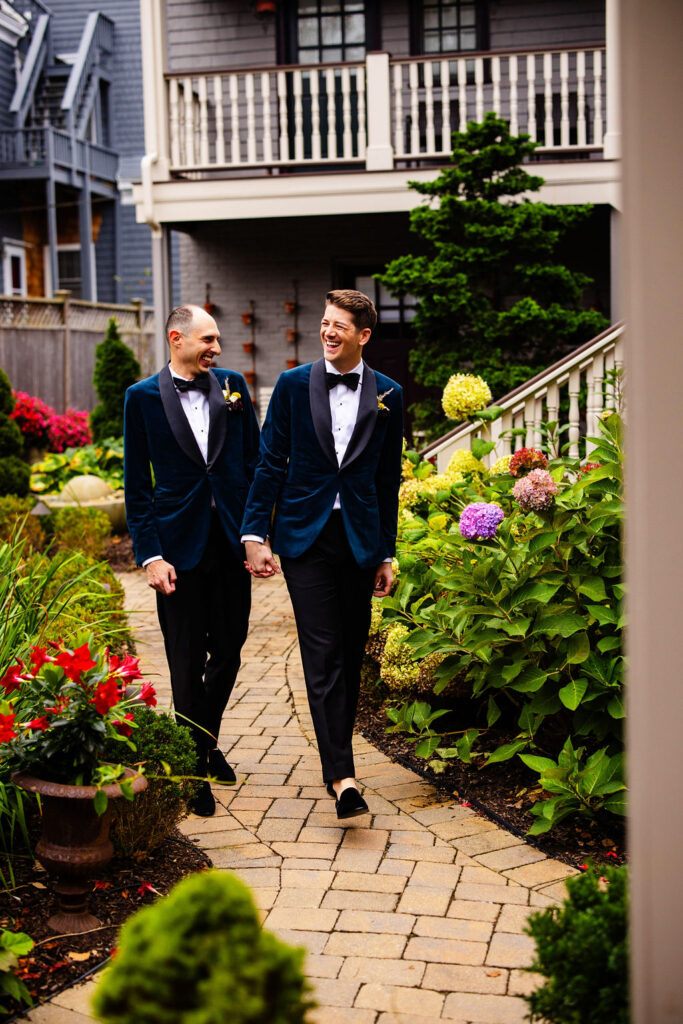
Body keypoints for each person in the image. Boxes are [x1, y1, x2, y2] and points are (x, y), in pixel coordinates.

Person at [241, 289, 403, 819]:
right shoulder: (290, 386)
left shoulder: (389, 395)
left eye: (340, 326)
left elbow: (386, 479)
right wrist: (254, 534)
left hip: (358, 538)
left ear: (364, 335)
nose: (329, 332)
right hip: (304, 537)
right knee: (323, 651)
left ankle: (338, 762)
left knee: (351, 651)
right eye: (325, 322)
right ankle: (343, 776)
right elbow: (270, 463)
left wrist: (386, 552)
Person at [124, 304, 260, 817]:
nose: (217, 349)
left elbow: (255, 462)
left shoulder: (234, 387)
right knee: (185, 659)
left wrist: (255, 534)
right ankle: (194, 767)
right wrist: (150, 556)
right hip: (176, 552)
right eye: (208, 340)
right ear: (177, 338)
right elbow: (138, 486)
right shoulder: (140, 398)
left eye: (218, 340)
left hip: (229, 544)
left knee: (228, 651)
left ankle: (204, 744)